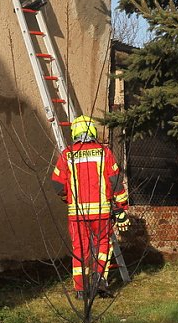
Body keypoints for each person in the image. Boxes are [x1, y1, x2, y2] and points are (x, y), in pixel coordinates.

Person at [50, 115, 130, 299]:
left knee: (80, 248)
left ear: (75, 133)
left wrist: (69, 199)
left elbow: (57, 185)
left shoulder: (66, 155)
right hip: (101, 212)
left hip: (76, 214)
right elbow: (115, 182)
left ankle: (80, 289)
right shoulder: (104, 153)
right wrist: (121, 209)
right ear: (92, 131)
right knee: (103, 245)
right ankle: (99, 280)